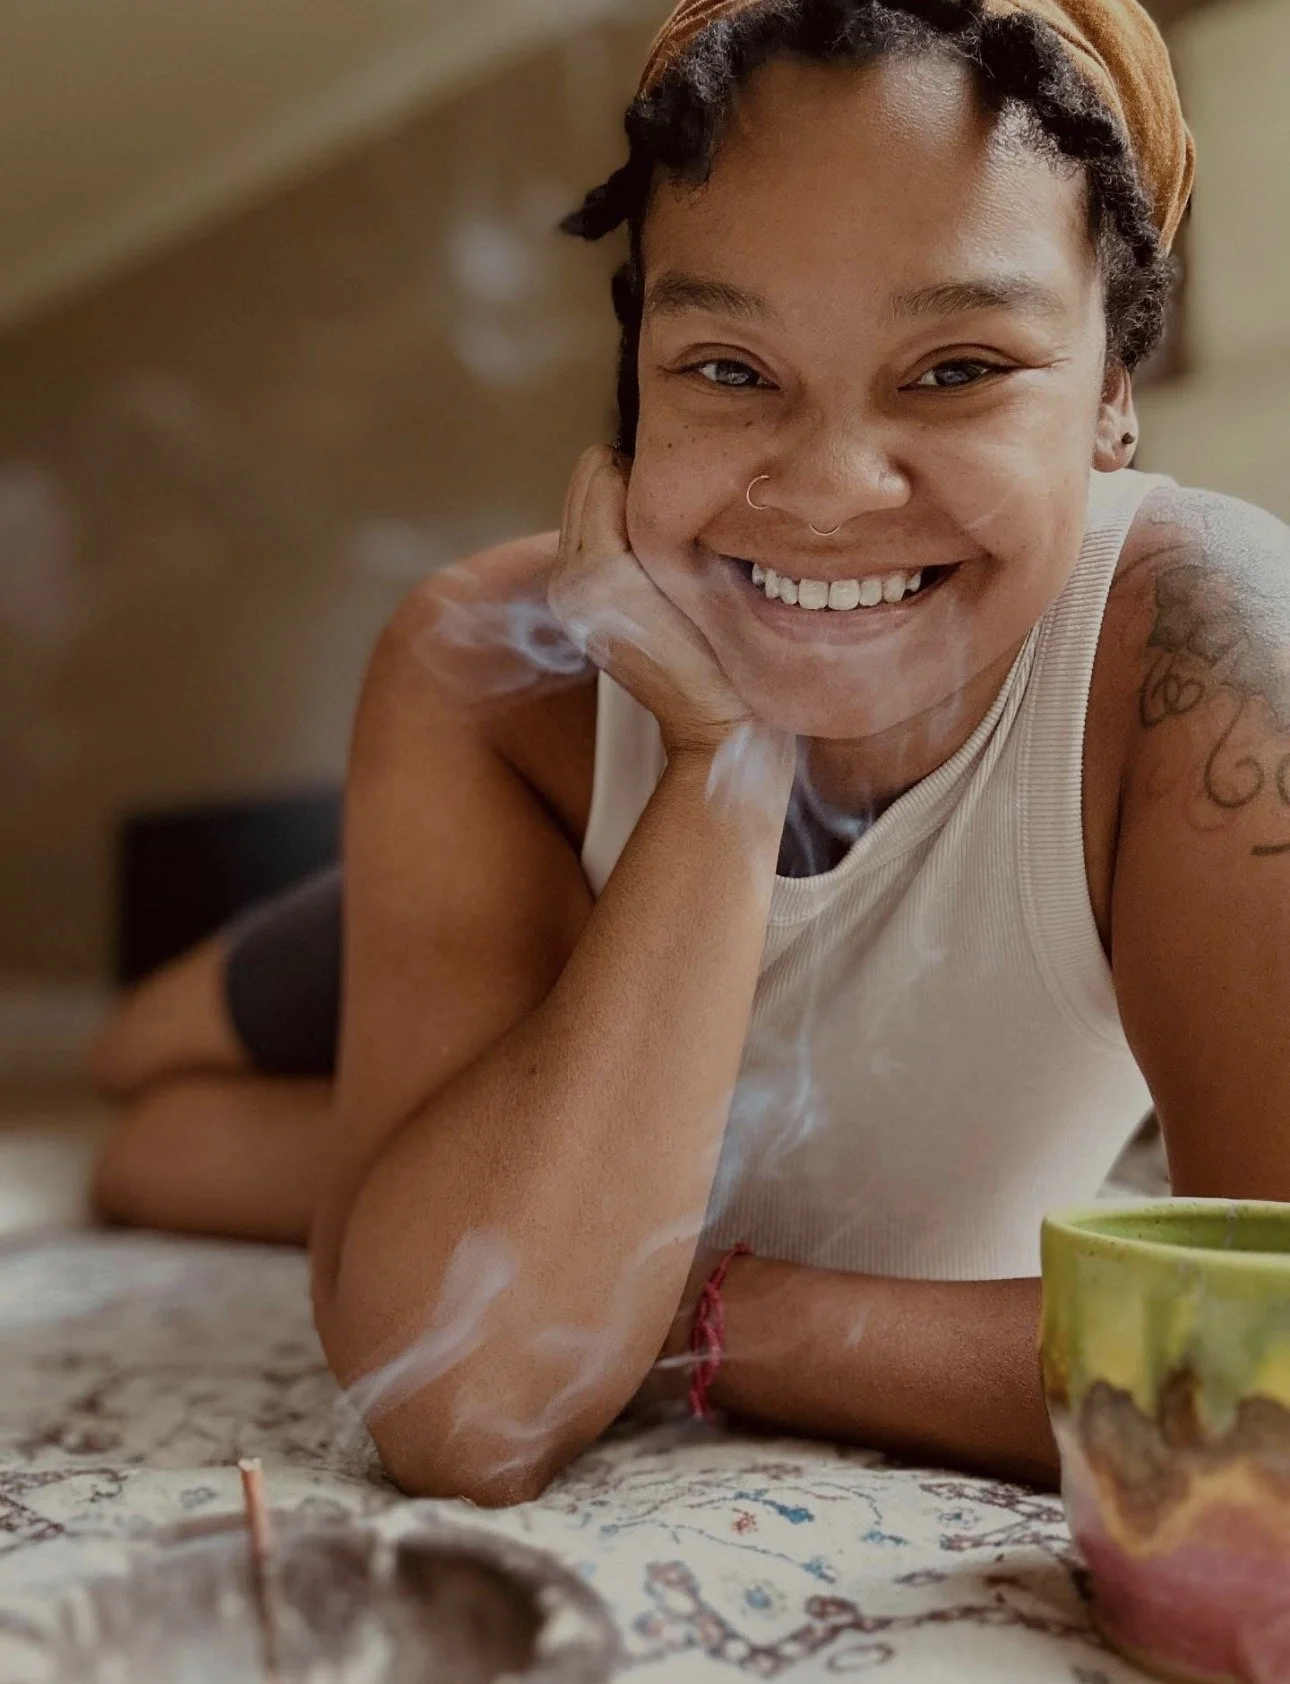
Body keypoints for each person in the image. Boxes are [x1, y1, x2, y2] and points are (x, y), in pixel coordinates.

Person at [93, 0, 1290, 1508]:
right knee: (136, 1075)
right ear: (634, 380)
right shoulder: (486, 671)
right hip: (570, 905)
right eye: (729, 370)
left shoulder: (1205, 649)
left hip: (637, 1025)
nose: (830, 490)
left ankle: (394, 1168)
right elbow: (468, 1412)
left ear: (1112, 395)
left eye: (957, 367)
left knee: (186, 1159)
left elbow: (1268, 1382)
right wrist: (718, 757)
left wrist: (697, 1312)